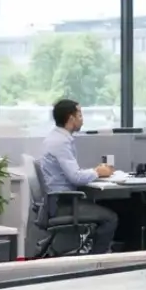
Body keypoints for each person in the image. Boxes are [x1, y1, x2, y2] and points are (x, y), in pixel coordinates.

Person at [39, 99, 118, 254]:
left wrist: (95, 171)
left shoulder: (56, 138)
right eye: (80, 115)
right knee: (110, 218)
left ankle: (92, 252)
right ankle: (96, 261)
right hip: (63, 204)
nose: (82, 119)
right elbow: (75, 177)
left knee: (109, 207)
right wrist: (98, 172)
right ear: (71, 118)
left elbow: (72, 173)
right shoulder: (61, 142)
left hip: (57, 201)